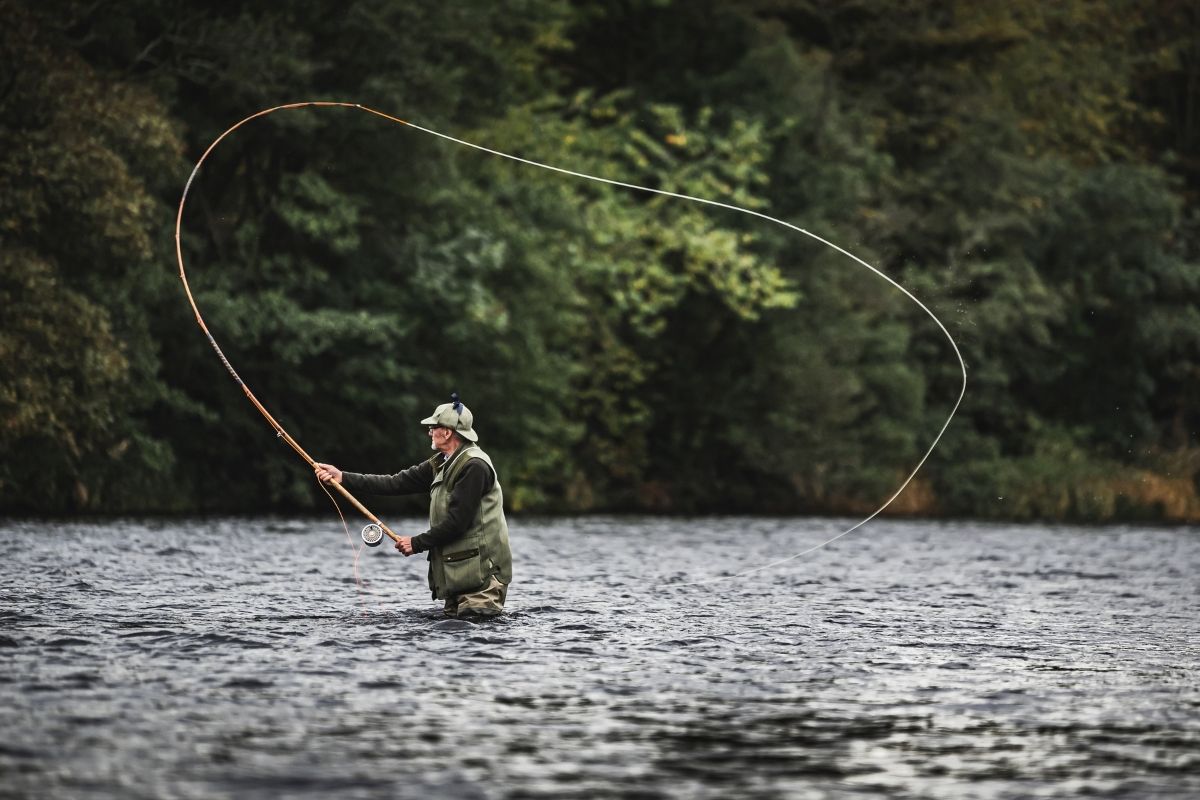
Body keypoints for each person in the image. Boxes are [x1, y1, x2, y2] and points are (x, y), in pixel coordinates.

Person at [314, 394, 512, 618]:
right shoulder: (440, 463)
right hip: (460, 576)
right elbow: (395, 482)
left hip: (483, 578)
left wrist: (416, 543)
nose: (429, 432)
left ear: (446, 432)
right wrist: (343, 477)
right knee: (454, 637)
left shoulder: (474, 466)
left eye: (433, 428)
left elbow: (458, 522)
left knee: (473, 638)